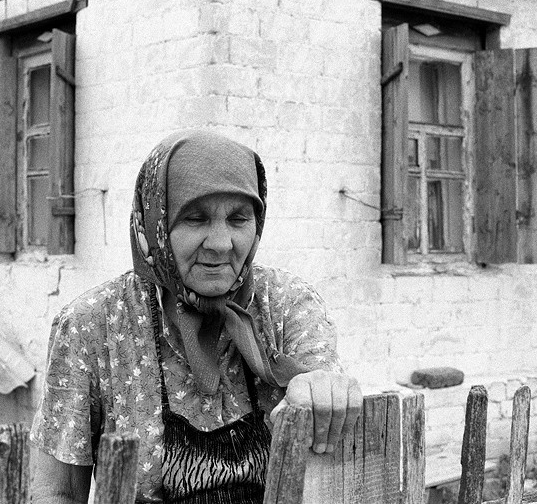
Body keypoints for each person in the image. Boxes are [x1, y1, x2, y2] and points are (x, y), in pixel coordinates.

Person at [30, 130, 362, 503]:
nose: (221, 244)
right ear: (155, 222)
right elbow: (55, 492)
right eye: (195, 218)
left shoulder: (285, 305)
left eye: (238, 219)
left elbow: (326, 395)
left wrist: (322, 388)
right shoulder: (94, 325)